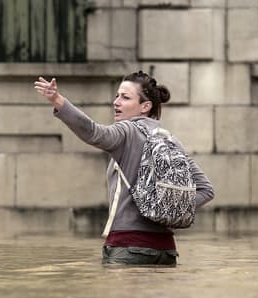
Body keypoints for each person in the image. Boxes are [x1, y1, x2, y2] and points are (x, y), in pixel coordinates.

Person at [33, 71, 214, 266]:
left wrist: (58, 100)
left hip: (128, 246)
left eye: (125, 97)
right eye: (117, 96)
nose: (116, 102)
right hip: (167, 251)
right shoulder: (170, 140)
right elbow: (206, 190)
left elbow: (94, 132)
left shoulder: (127, 131)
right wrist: (166, 208)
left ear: (145, 106)